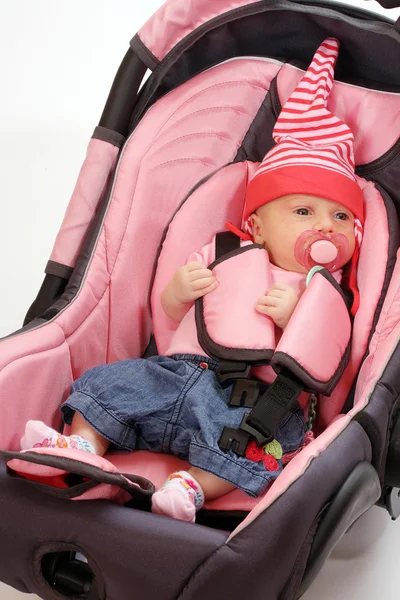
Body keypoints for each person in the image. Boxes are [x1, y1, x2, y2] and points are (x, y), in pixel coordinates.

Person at [20, 38, 364, 523]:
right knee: (108, 383)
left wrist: (297, 318)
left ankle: (193, 488)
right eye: (303, 211)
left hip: (252, 401)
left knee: (264, 448)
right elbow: (172, 311)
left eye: (342, 216)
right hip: (174, 374)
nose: (325, 226)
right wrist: (181, 289)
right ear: (258, 226)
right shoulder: (224, 253)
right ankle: (81, 444)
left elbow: (330, 349)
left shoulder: (324, 291)